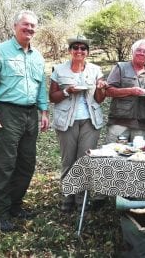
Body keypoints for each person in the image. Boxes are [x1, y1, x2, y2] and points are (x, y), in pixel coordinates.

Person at [0, 10, 49, 232]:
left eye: (33, 26)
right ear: (15, 26)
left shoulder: (37, 56)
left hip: (30, 115)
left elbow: (41, 87)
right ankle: (0, 212)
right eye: (25, 25)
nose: (30, 29)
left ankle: (15, 205)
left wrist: (44, 112)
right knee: (3, 164)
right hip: (6, 112)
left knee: (26, 163)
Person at [49, 35, 106, 212]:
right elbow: (53, 97)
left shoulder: (96, 70)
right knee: (68, 160)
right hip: (67, 121)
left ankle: (82, 200)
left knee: (85, 160)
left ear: (87, 52)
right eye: (76, 48)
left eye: (83, 48)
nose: (79, 51)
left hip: (90, 121)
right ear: (70, 51)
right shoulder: (58, 70)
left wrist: (102, 88)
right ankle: (68, 198)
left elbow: (99, 99)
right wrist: (67, 91)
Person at [105, 39, 145, 143]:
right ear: (132, 51)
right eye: (139, 50)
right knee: (115, 156)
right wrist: (131, 91)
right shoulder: (120, 67)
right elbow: (108, 91)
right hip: (119, 124)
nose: (142, 53)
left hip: (141, 126)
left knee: (138, 156)